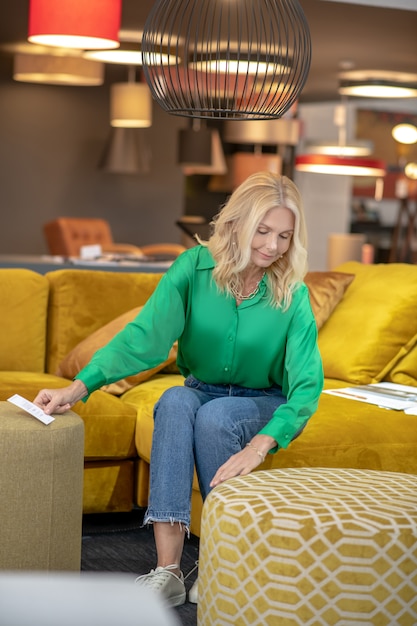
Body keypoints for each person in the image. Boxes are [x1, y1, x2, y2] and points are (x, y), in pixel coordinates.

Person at [34, 171, 324, 608]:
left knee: (216, 416)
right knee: (175, 399)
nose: (272, 246)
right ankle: (167, 570)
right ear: (235, 224)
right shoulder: (193, 268)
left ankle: (222, 566)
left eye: (285, 236)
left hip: (261, 401)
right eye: (262, 231)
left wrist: (260, 446)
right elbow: (144, 338)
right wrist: (77, 389)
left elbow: (305, 388)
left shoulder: (292, 293)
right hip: (200, 387)